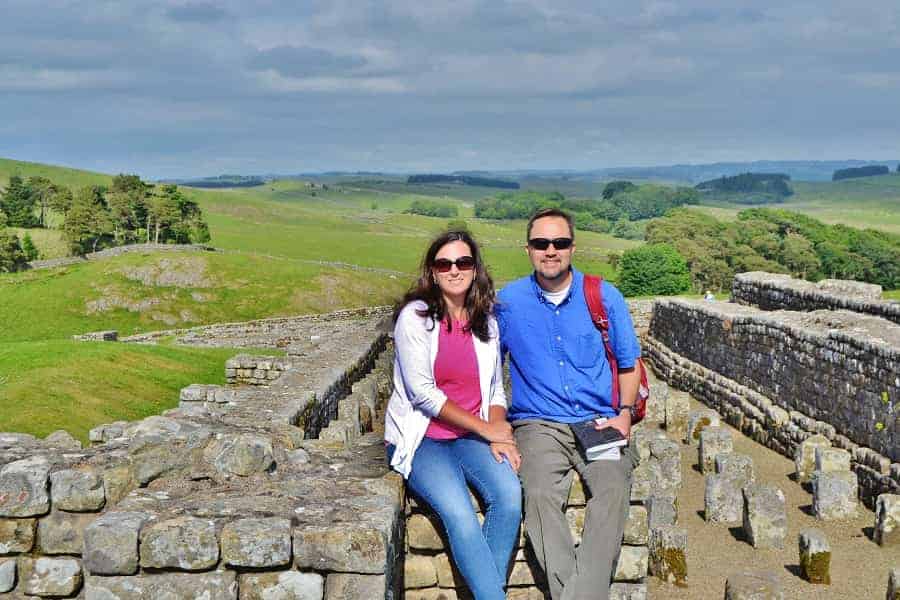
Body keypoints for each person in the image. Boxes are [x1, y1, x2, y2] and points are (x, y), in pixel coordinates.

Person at [496, 208, 642, 600]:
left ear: (572, 248)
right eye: (541, 243)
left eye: (559, 243)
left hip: (599, 421)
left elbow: (629, 363)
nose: (550, 251)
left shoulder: (604, 296)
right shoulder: (507, 303)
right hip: (538, 424)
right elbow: (487, 371)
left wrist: (625, 416)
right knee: (540, 495)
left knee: (612, 490)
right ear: (528, 249)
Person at [385, 230, 522, 600]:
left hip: (469, 436)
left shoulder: (487, 322)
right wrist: (491, 431)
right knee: (460, 513)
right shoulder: (415, 318)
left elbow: (494, 389)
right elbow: (423, 395)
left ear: (475, 268)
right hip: (423, 438)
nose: (455, 270)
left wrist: (498, 430)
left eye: (463, 262)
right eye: (444, 263)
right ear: (432, 272)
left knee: (510, 496)